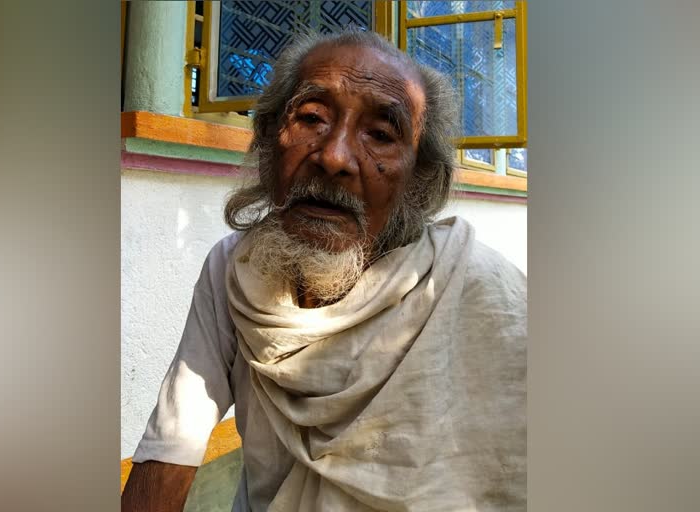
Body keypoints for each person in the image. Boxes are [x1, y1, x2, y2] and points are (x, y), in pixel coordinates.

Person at [122, 29, 526, 512]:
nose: (334, 157)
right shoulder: (235, 269)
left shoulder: (478, 289)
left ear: (418, 180)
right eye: (312, 118)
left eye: (380, 134)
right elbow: (173, 441)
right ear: (270, 144)